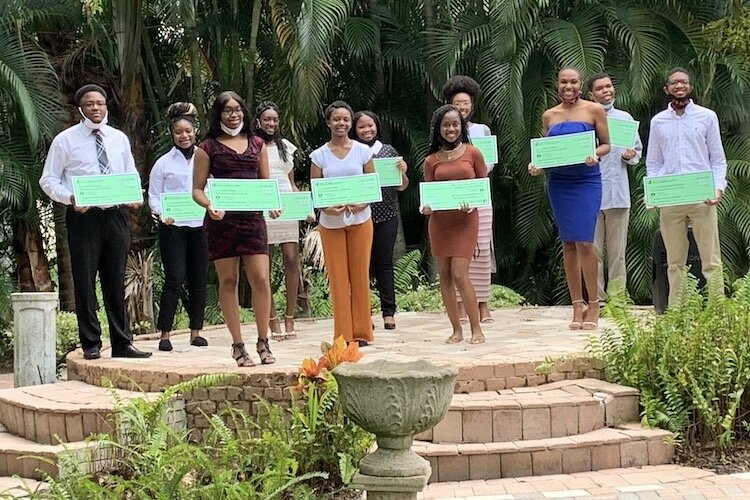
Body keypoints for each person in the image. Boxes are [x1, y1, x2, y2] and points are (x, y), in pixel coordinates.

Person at [39, 84, 151, 359]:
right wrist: (70, 197)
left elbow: (129, 172)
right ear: (80, 109)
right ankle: (91, 343)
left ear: (106, 106)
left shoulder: (118, 138)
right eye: (90, 104)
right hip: (83, 216)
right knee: (85, 280)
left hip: (116, 215)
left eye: (100, 103)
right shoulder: (65, 140)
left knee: (115, 279)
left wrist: (135, 195)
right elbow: (48, 180)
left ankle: (122, 343)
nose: (96, 108)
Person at [192, 90, 276, 366]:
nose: (233, 114)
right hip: (221, 222)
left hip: (252, 220)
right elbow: (197, 190)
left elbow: (266, 183)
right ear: (218, 114)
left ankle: (263, 341)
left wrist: (272, 203)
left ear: (244, 111)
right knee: (228, 282)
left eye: (237, 109)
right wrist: (209, 206)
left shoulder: (257, 143)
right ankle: (238, 345)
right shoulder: (207, 147)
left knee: (261, 279)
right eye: (227, 110)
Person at [528, 67, 611, 330]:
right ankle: (577, 304)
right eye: (564, 82)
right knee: (568, 244)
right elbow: (547, 151)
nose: (568, 86)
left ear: (580, 84)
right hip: (559, 183)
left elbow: (607, 144)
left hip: (586, 180)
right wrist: (537, 165)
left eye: (573, 82)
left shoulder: (593, 110)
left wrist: (595, 154)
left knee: (585, 242)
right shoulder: (549, 116)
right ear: (557, 84)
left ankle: (594, 303)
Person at [646, 67, 727, 307]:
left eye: (683, 82)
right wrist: (655, 192)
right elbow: (654, 163)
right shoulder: (658, 121)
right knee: (674, 261)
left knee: (711, 259)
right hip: (671, 199)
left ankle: (717, 310)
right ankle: (677, 313)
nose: (679, 86)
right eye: (674, 83)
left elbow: (718, 159)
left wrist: (718, 188)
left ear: (690, 87)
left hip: (703, 197)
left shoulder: (707, 117)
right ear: (667, 89)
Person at [310, 101, 376, 346]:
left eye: (346, 119)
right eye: (336, 119)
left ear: (351, 122)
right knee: (338, 279)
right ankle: (343, 335)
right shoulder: (319, 156)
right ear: (328, 122)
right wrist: (326, 207)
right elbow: (316, 191)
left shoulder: (362, 151)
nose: (342, 123)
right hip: (331, 223)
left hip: (361, 220)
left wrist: (362, 203)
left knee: (360, 275)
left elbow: (372, 185)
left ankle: (362, 332)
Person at [421, 104, 487, 344]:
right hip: (440, 223)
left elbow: (483, 186)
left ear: (461, 127)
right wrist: (426, 207)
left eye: (455, 124)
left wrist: (474, 202)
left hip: (465, 221)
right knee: (445, 275)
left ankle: (476, 328)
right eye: (446, 125)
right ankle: (455, 329)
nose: (451, 129)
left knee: (460, 273)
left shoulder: (473, 153)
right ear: (438, 128)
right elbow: (427, 194)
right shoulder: (430, 161)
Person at [148, 102, 209, 352]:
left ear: (195, 131)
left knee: (199, 279)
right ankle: (165, 334)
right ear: (172, 135)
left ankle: (196, 332)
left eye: (188, 131)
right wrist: (162, 214)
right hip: (172, 227)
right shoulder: (163, 163)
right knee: (174, 278)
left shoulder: (206, 159)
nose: (184, 136)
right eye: (178, 132)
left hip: (200, 225)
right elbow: (153, 197)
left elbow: (212, 189)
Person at [442, 75, 495, 324]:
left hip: (479, 197)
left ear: (472, 104)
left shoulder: (481, 131)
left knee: (481, 249)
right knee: (458, 250)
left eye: (466, 103)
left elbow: (489, 164)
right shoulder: (445, 133)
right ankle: (461, 305)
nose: (462, 107)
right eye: (457, 103)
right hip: (451, 201)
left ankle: (483, 305)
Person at [350, 110, 409, 330]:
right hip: (358, 216)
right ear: (355, 130)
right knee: (361, 267)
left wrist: (402, 171)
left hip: (386, 216)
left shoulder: (388, 151)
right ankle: (365, 315)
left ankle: (388, 313)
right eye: (361, 127)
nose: (366, 130)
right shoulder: (352, 153)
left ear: (377, 126)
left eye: (370, 126)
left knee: (384, 265)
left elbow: (402, 186)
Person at [587, 73, 643, 301]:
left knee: (618, 252)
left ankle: (618, 298)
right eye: (600, 88)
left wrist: (631, 155)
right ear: (591, 94)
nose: (606, 91)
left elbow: (636, 151)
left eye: (609, 86)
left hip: (618, 192)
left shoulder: (624, 118)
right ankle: (596, 298)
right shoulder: (585, 119)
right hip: (589, 191)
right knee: (594, 251)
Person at [253, 101, 305, 340]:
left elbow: (291, 180)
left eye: (274, 119)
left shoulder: (286, 146)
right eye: (267, 120)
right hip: (264, 204)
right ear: (258, 121)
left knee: (292, 259)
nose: (271, 123)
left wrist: (300, 203)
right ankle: (271, 319)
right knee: (265, 264)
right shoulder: (253, 145)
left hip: (286, 205)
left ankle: (290, 316)